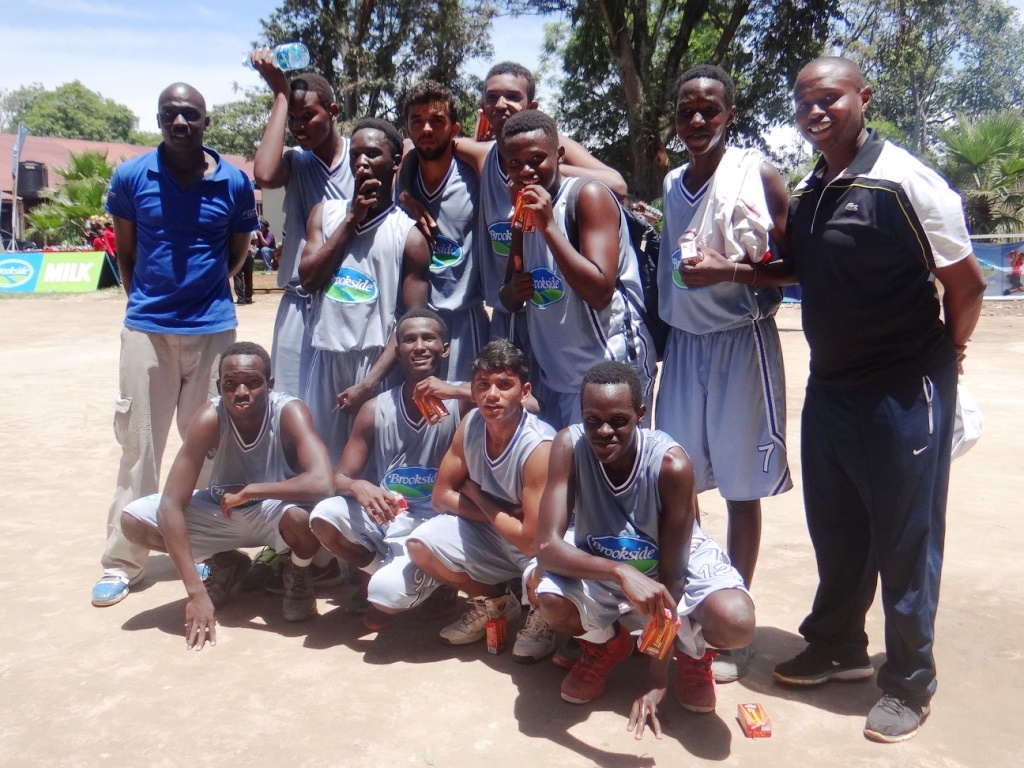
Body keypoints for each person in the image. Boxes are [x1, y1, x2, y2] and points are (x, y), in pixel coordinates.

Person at [689, 57, 986, 743]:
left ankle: (910, 680)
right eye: (804, 101)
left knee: (906, 540)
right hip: (832, 387)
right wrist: (732, 268)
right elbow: (803, 268)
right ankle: (838, 644)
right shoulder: (816, 187)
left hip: (903, 390)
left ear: (863, 98)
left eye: (829, 98)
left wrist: (950, 355)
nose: (814, 111)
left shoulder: (906, 182)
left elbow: (965, 284)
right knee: (839, 525)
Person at [92, 82, 257, 607]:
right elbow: (126, 253)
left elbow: (236, 256)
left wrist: (203, 296)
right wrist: (151, 301)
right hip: (148, 329)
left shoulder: (233, 182)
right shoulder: (131, 177)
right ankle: (123, 561)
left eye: (190, 114)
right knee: (139, 444)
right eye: (169, 115)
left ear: (206, 120)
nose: (180, 123)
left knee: (207, 445)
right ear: (159, 119)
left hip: (212, 328)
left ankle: (204, 550)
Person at [656, 64, 792, 682]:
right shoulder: (669, 182)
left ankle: (734, 630)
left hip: (741, 342)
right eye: (687, 109)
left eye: (710, 109)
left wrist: (731, 272)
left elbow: (795, 268)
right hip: (685, 346)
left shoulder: (757, 172)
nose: (698, 120)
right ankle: (695, 604)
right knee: (680, 481)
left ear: (729, 114)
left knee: (740, 488)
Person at [532, 362, 754, 736]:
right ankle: (606, 645)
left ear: (640, 415)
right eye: (592, 420)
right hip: (605, 554)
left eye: (618, 420)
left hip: (670, 558)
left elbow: (673, 576)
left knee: (736, 621)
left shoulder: (671, 464)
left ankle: (691, 653)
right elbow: (547, 546)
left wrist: (656, 676)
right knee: (546, 595)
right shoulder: (569, 446)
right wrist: (620, 571)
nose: (604, 432)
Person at [120, 342, 334, 647]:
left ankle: (298, 573)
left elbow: (323, 481)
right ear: (220, 387)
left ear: (270, 385)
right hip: (223, 510)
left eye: (253, 383)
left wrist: (252, 490)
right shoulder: (209, 418)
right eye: (231, 384)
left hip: (273, 513)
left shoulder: (289, 412)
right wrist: (196, 592)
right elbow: (170, 505)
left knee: (304, 517)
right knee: (133, 521)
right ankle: (225, 562)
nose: (242, 392)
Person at [455, 62, 627, 420]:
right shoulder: (488, 161)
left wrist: (548, 182)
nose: (501, 103)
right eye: (492, 97)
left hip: (597, 350)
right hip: (535, 328)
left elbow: (618, 184)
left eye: (512, 96)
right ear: (482, 109)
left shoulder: (575, 189)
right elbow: (421, 141)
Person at [498, 109, 655, 429]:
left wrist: (549, 227)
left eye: (536, 159)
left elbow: (600, 292)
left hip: (608, 373)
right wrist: (514, 291)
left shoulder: (587, 196)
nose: (526, 171)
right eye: (515, 164)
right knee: (569, 475)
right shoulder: (522, 210)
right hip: (556, 377)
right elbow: (508, 295)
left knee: (611, 476)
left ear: (558, 156)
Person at [309, 309, 466, 629]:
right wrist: (358, 486)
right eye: (409, 339)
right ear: (397, 350)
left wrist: (454, 391)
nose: (419, 346)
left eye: (429, 338)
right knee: (323, 517)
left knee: (384, 600)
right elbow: (339, 477)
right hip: (390, 515)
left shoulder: (462, 400)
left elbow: (527, 406)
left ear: (445, 348)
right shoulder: (374, 409)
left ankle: (439, 582)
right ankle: (377, 569)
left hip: (439, 524)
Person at [406, 340, 556, 660]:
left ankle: (542, 616)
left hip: (542, 544)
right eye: (483, 385)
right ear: (473, 391)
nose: (492, 395)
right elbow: (440, 497)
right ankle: (498, 602)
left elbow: (531, 541)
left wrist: (476, 495)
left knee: (548, 577)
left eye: (504, 385)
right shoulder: (471, 423)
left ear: (524, 391)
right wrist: (502, 515)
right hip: (500, 532)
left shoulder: (538, 447)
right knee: (420, 543)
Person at [299, 118, 431, 465]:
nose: (362, 162)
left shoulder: (409, 236)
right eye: (355, 154)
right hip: (326, 355)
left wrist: (370, 383)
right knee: (321, 461)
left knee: (370, 465)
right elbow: (309, 279)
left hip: (376, 362)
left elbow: (412, 323)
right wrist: (351, 220)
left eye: (373, 154)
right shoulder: (325, 214)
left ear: (396, 162)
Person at [250, 54, 354, 400]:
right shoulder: (295, 161)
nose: (299, 126)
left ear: (334, 111)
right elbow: (263, 174)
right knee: (291, 403)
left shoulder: (361, 157)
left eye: (308, 115)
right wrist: (280, 95)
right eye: (292, 119)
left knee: (341, 404)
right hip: (300, 301)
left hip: (350, 298)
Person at [396, 80, 489, 382]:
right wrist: (405, 192)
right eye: (417, 121)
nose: (426, 129)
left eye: (437, 121)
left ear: (454, 128)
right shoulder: (400, 182)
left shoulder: (474, 176)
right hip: (417, 320)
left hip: (465, 318)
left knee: (465, 410)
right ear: (408, 128)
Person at [233, 233, 256, 305]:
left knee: (238, 276)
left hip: (237, 252)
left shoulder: (231, 228)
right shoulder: (251, 229)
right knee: (248, 276)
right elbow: (255, 241)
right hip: (248, 252)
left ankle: (241, 298)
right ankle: (248, 297)